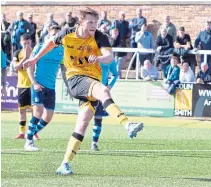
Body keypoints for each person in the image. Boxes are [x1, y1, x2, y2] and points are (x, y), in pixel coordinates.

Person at [23, 7, 144, 175]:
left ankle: (64, 164)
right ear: (80, 22)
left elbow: (109, 56)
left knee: (83, 122)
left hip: (91, 80)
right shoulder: (67, 33)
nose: (94, 25)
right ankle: (127, 124)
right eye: (90, 22)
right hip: (75, 78)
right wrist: (35, 58)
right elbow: (51, 43)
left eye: (96, 22)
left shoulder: (100, 37)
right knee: (103, 90)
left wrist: (100, 58)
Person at [24, 25, 63, 151]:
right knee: (38, 112)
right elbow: (29, 65)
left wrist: (69, 86)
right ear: (49, 35)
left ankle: (30, 132)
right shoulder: (40, 48)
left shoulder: (62, 50)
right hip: (38, 85)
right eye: (54, 35)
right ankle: (29, 142)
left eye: (58, 35)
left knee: (48, 117)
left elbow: (64, 69)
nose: (56, 38)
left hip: (51, 87)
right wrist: (34, 83)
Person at [12, 34, 37, 139]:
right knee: (22, 110)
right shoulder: (17, 53)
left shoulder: (36, 52)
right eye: (24, 43)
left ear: (31, 42)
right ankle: (22, 133)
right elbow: (15, 68)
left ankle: (34, 132)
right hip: (21, 85)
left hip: (32, 85)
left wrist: (29, 58)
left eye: (28, 43)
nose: (26, 45)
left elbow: (36, 68)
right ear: (21, 42)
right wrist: (25, 58)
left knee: (34, 111)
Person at [91, 59, 118, 151]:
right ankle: (77, 141)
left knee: (98, 118)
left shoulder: (110, 59)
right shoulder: (91, 54)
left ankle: (94, 142)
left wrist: (110, 85)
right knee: (84, 118)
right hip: (89, 90)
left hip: (101, 93)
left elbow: (115, 74)